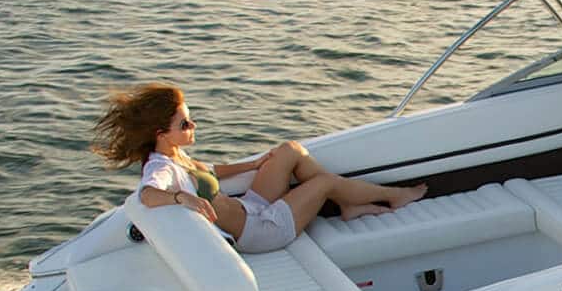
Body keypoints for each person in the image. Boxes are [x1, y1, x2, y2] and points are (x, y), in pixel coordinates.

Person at [90, 84, 425, 254]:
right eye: (185, 122)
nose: (193, 124)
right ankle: (392, 196)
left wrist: (255, 164)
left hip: (251, 207)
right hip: (260, 232)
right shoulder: (160, 168)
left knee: (288, 151)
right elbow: (147, 195)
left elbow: (211, 170)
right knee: (322, 183)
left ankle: (350, 204)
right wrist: (183, 199)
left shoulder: (175, 153)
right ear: (161, 134)